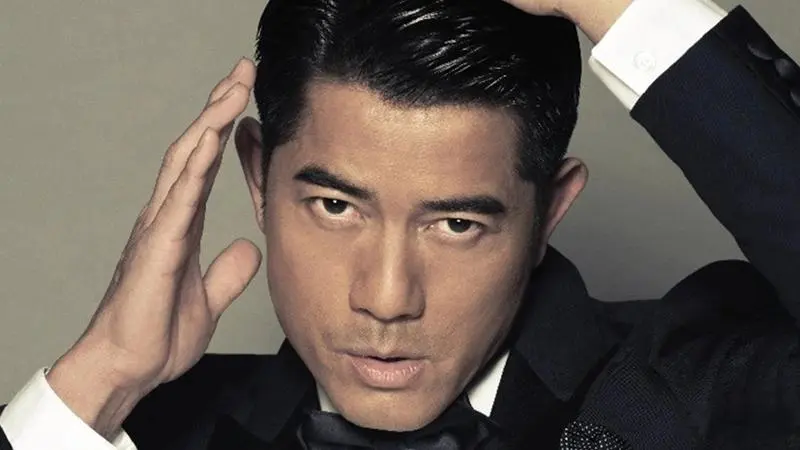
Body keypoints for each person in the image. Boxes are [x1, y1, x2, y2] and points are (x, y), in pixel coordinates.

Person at [1, 0, 799, 447]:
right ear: (257, 178)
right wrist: (100, 379)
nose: (386, 299)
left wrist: (618, 4)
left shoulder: (693, 397)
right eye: (336, 207)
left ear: (549, 211)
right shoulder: (144, 429)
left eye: (455, 224)